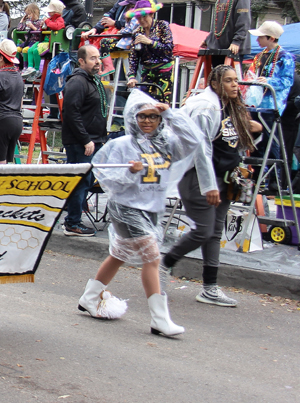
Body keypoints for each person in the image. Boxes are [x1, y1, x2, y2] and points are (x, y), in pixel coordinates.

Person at [78, 90, 201, 337]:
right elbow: (104, 176)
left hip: (151, 209)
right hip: (126, 209)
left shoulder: (166, 144)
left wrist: (172, 114)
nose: (147, 121)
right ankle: (159, 320)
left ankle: (89, 298)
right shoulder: (121, 145)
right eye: (142, 116)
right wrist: (130, 173)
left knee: (119, 255)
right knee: (152, 258)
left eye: (153, 116)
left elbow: (193, 142)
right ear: (133, 118)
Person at [161, 65, 262, 307]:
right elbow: (200, 149)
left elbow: (230, 141)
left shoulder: (231, 107)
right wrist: (208, 186)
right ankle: (163, 264)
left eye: (236, 80)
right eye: (228, 80)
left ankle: (210, 288)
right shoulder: (206, 107)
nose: (235, 84)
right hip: (199, 177)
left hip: (224, 177)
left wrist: (253, 130)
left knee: (214, 233)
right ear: (215, 83)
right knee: (204, 231)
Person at [61, 45, 108, 236]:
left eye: (98, 58)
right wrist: (86, 139)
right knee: (79, 181)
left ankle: (74, 216)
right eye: (92, 58)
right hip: (81, 142)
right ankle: (72, 222)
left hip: (93, 140)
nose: (97, 62)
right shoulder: (78, 82)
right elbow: (71, 113)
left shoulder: (91, 80)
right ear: (81, 61)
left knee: (86, 181)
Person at [246, 21, 293, 193]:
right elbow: (251, 72)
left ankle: (275, 180)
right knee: (255, 139)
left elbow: (287, 81)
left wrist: (269, 81)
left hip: (271, 103)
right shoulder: (259, 56)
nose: (257, 40)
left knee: (271, 140)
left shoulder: (285, 57)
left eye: (261, 37)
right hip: (254, 102)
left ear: (271, 38)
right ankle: (257, 177)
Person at [199, 0, 252, 67]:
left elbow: (243, 21)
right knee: (216, 79)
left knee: (228, 79)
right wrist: (209, 40)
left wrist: (236, 42)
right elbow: (217, 23)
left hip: (232, 48)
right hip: (218, 47)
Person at [125, 0, 175, 104]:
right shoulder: (137, 32)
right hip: (147, 70)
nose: (142, 20)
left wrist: (150, 42)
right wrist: (131, 77)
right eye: (139, 18)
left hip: (163, 70)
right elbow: (134, 57)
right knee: (145, 102)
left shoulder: (162, 26)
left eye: (144, 16)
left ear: (152, 15)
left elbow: (169, 48)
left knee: (162, 103)